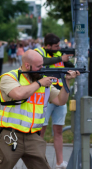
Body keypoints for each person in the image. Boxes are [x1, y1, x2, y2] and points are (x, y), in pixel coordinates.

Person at [0, 50, 80, 169]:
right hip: (11, 135)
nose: (42, 68)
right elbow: (18, 94)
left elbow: (60, 101)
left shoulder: (42, 80)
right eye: (38, 66)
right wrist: (39, 83)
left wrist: (67, 81)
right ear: (27, 65)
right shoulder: (9, 77)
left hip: (33, 136)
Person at [36, 33, 74, 169]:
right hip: (46, 96)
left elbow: (69, 65)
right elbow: (42, 62)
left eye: (59, 46)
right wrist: (61, 57)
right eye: (56, 46)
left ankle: (59, 163)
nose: (59, 48)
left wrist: (70, 63)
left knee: (58, 131)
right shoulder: (39, 53)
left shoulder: (59, 54)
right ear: (47, 46)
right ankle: (39, 163)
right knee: (41, 132)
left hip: (60, 95)